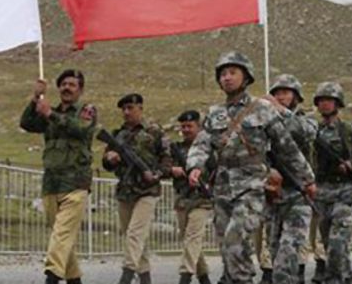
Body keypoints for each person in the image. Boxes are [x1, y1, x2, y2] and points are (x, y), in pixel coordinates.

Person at [187, 52, 315, 284]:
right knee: (227, 248)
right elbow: (202, 143)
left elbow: (286, 148)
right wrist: (195, 166)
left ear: (246, 78)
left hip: (253, 187)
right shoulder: (215, 113)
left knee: (235, 239)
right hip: (223, 188)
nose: (227, 78)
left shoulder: (262, 109)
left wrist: (308, 179)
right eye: (223, 74)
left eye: (233, 73)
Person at [20, 69, 97, 284]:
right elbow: (26, 123)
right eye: (63, 84)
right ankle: (74, 279)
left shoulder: (86, 110)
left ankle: (51, 277)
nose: (67, 88)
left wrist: (50, 114)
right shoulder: (48, 112)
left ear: (80, 90)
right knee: (63, 238)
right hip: (51, 184)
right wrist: (35, 98)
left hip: (75, 183)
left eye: (72, 84)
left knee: (61, 235)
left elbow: (81, 129)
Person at [103, 93, 173, 284]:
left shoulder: (154, 132)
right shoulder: (118, 135)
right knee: (133, 237)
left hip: (147, 192)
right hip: (125, 191)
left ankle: (126, 275)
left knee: (135, 233)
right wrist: (110, 158)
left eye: (130, 108)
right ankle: (145, 278)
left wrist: (156, 174)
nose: (126, 112)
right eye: (123, 109)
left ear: (140, 108)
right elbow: (106, 162)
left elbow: (167, 159)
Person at [312, 82, 352, 284]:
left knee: (338, 242)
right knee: (330, 244)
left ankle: (334, 279)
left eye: (329, 100)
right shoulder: (313, 132)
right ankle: (347, 278)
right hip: (321, 193)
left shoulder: (350, 132)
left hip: (345, 192)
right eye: (321, 101)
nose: (325, 104)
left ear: (338, 104)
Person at [264, 74, 318, 284]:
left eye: (285, 93)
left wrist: (281, 111)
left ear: (296, 96)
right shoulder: (266, 123)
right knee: (276, 251)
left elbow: (306, 132)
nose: (280, 97)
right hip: (274, 194)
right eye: (276, 93)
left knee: (288, 253)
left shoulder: (307, 120)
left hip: (299, 195)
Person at [171, 110, 214, 284]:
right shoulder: (176, 149)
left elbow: (216, 169)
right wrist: (172, 170)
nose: (186, 130)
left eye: (190, 126)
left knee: (193, 237)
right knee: (188, 239)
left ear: (199, 127)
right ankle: (203, 276)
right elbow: (165, 165)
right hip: (183, 198)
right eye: (183, 127)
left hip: (202, 200)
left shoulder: (208, 148)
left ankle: (185, 276)